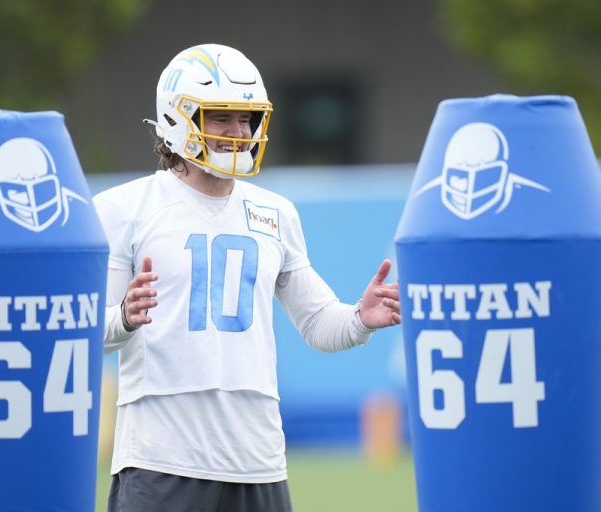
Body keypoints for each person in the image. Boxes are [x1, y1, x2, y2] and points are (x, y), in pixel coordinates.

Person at [94, 43, 401, 512]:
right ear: (179, 117)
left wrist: (362, 318)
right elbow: (92, 333)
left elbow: (318, 323)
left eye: (247, 119)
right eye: (221, 117)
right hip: (162, 460)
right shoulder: (124, 209)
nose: (237, 132)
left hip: (257, 460)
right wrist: (124, 318)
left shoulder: (274, 212)